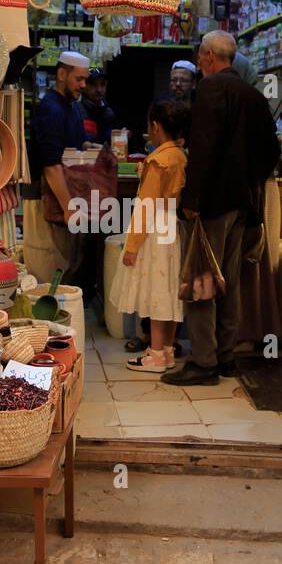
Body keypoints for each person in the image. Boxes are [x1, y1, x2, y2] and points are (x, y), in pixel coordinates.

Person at [163, 31, 279, 386]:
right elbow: (271, 154)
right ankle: (226, 357)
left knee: (201, 282)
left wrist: (192, 202)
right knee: (228, 283)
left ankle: (203, 362)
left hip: (212, 205)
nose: (199, 64)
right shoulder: (254, 96)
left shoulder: (211, 89)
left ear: (210, 56)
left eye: (200, 58)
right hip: (243, 206)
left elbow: (205, 148)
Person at [112, 98, 190, 373]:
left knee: (157, 291)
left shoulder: (158, 161)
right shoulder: (181, 156)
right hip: (172, 226)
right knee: (169, 289)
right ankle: (167, 349)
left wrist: (132, 246)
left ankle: (155, 353)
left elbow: (146, 207)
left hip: (155, 230)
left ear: (155, 127)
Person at [29, 49, 95, 299]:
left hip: (65, 202)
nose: (83, 85)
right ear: (60, 74)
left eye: (85, 79)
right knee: (47, 274)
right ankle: (42, 333)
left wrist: (91, 149)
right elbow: (51, 165)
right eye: (79, 79)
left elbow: (71, 148)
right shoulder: (50, 109)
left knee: (66, 268)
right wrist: (69, 207)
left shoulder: (71, 107)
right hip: (50, 202)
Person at [80, 67, 116, 148]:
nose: (99, 89)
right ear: (84, 86)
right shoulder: (77, 110)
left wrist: (119, 135)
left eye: (102, 84)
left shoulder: (109, 112)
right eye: (93, 84)